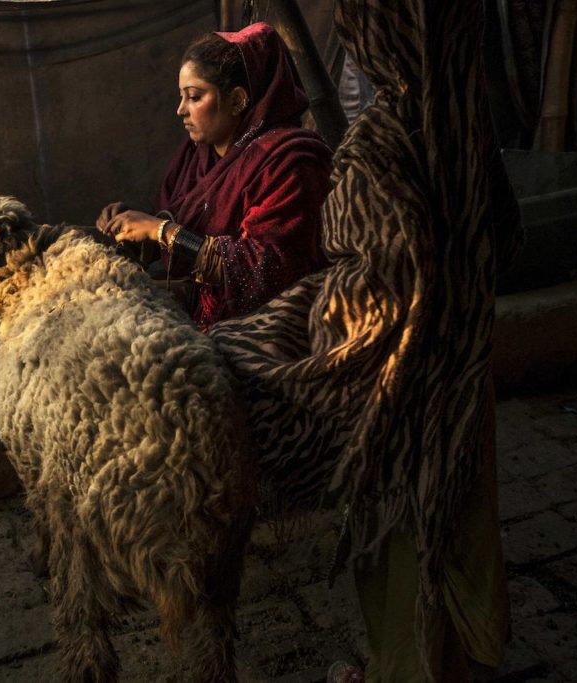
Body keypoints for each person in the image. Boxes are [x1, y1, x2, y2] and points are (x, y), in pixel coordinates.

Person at [209, 1, 521, 681]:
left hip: (397, 399)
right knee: (461, 522)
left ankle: (404, 667)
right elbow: (502, 240)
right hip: (464, 378)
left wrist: (269, 340)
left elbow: (370, 301)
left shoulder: (379, 146)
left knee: (405, 543)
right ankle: (466, 660)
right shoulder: (467, 126)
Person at [96, 22, 333, 330]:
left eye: (194, 97)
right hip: (198, 317)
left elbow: (267, 271)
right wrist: (134, 226)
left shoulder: (289, 163)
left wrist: (162, 232)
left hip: (269, 330)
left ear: (237, 100)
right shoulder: (197, 157)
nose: (181, 110)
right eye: (181, 96)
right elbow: (188, 220)